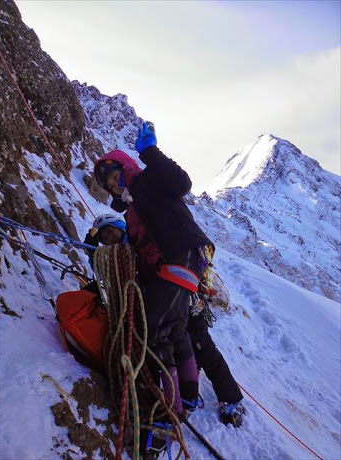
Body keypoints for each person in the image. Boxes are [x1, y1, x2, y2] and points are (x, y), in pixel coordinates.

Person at [93, 123, 244, 427]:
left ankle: (182, 406)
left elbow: (182, 183)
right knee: (180, 333)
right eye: (109, 184)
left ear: (126, 167)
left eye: (115, 175)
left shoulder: (149, 181)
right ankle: (186, 397)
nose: (113, 184)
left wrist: (150, 152)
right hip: (169, 268)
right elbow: (140, 246)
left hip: (183, 256)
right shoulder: (131, 211)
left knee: (164, 332)